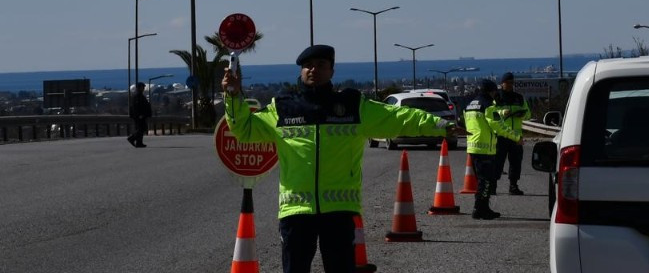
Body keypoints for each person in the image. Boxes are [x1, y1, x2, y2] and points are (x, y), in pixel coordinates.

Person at [221, 44, 451, 273]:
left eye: (321, 65)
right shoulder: (283, 109)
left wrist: (441, 125)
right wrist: (232, 95)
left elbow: (398, 117)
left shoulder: (352, 106)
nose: (313, 70)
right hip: (296, 211)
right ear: (301, 71)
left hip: (339, 210)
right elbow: (244, 129)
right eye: (308, 66)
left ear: (332, 71)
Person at [463, 79, 521, 219]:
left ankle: (482, 208)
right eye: (495, 91)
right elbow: (498, 127)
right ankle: (480, 209)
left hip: (473, 147)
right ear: (490, 91)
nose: (496, 93)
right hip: (485, 148)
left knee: (481, 180)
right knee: (486, 180)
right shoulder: (488, 106)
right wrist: (516, 137)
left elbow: (472, 123)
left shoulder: (470, 105)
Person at [494, 72, 531, 195]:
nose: (510, 85)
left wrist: (522, 114)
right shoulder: (496, 98)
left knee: (516, 161)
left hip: (516, 136)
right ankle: (492, 185)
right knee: (498, 161)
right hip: (501, 135)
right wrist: (503, 113)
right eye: (507, 82)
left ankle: (513, 185)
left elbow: (528, 114)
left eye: (512, 82)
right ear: (502, 83)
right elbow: (491, 114)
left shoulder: (519, 98)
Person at [127, 82, 151, 148]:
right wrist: (139, 115)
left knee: (141, 129)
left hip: (142, 115)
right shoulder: (137, 96)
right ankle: (132, 138)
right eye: (142, 87)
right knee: (141, 128)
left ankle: (139, 143)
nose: (143, 88)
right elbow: (136, 107)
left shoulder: (140, 95)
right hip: (139, 116)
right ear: (138, 88)